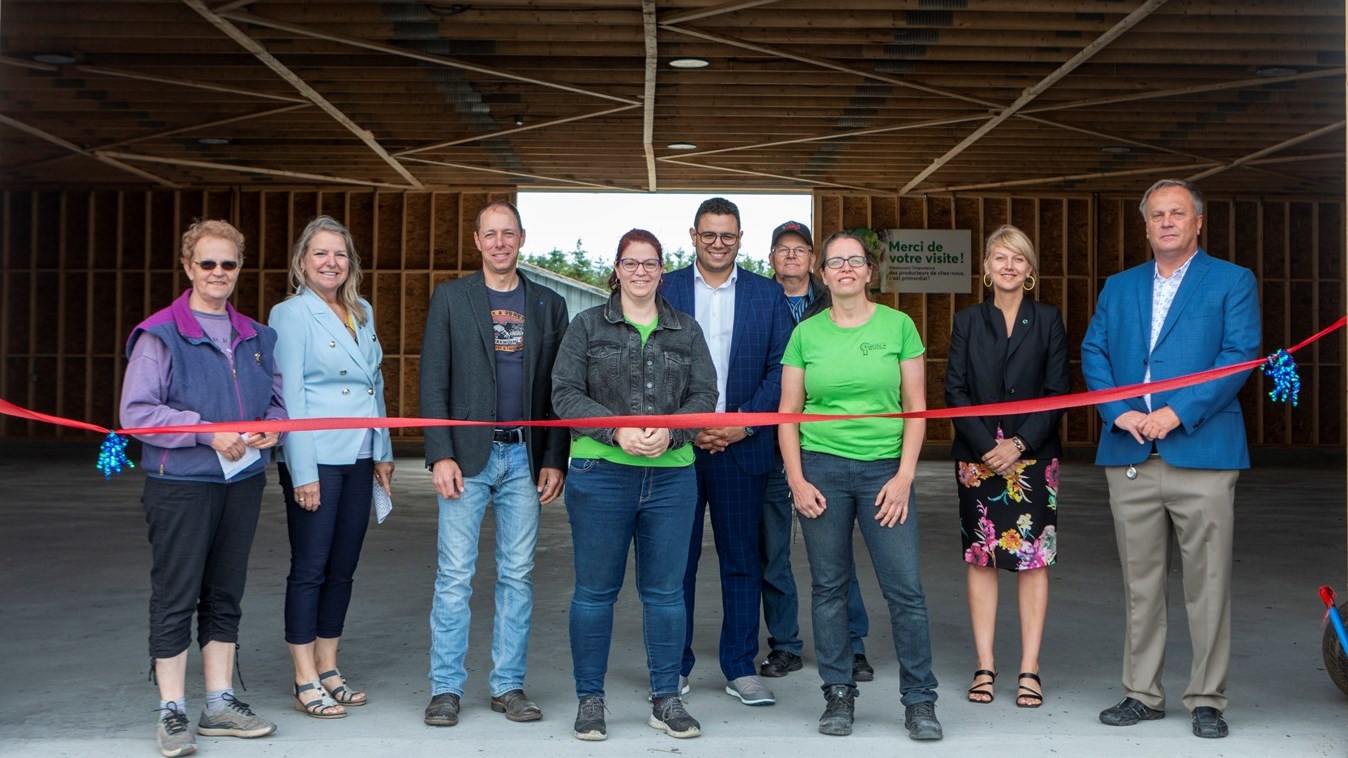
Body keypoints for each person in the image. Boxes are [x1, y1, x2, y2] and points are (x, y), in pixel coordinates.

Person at [1082, 179, 1260, 739]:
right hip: (1130, 451)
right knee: (1141, 582)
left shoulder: (1232, 281)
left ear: (1198, 222)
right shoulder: (1118, 286)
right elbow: (1094, 352)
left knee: (1206, 584)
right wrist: (1121, 414)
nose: (1165, 222)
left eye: (1176, 213)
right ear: (1146, 225)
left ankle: (1207, 698)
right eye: (1156, 215)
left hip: (1202, 452)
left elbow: (1239, 357)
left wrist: (1177, 412)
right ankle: (1143, 693)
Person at [120, 219, 285, 757]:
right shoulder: (159, 334)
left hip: (243, 482)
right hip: (181, 484)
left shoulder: (259, 336)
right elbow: (138, 412)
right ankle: (172, 712)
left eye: (228, 264)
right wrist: (204, 430)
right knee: (176, 594)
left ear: (240, 268)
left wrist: (269, 431)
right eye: (207, 263)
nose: (218, 273)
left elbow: (279, 407)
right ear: (189, 267)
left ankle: (219, 703)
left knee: (224, 593)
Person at [551, 229, 719, 742]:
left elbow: (705, 393)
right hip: (600, 475)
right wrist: (616, 430)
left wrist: (670, 431)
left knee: (666, 593)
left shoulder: (685, 330)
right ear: (617, 268)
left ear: (661, 270)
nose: (641, 272)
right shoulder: (585, 326)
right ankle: (590, 700)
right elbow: (564, 394)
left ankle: (666, 698)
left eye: (650, 264)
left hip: (671, 479)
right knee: (595, 592)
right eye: (631, 263)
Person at [778, 232, 942, 740]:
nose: (845, 268)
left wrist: (904, 477)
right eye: (835, 262)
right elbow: (788, 413)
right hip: (822, 470)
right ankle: (838, 693)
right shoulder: (806, 333)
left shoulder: (899, 326)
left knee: (905, 590)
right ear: (822, 275)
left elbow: (916, 409)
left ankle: (919, 700)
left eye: (855, 261)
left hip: (883, 471)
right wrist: (797, 479)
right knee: (828, 588)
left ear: (869, 272)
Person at [419, 201, 570, 727]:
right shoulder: (451, 298)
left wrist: (555, 459)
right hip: (467, 457)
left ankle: (508, 686)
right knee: (455, 576)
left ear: (522, 238)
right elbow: (432, 381)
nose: (500, 242)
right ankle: (445, 689)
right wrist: (439, 454)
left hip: (524, 456)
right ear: (477, 240)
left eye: (509, 233)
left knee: (518, 575)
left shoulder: (549, 304)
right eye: (491, 234)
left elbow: (558, 390)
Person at [659, 196, 794, 706]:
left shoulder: (767, 294)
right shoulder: (667, 288)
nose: (719, 244)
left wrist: (742, 425)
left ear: (741, 239)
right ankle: (674, 666)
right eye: (709, 235)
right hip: (679, 452)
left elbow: (782, 368)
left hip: (744, 449)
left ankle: (740, 666)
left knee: (742, 560)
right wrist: (689, 430)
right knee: (677, 563)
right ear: (693, 236)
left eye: (729, 236)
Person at [268, 215, 395, 719]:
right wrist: (302, 472)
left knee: (343, 569)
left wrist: (382, 452)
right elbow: (290, 395)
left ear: (350, 263)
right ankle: (302, 676)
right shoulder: (290, 314)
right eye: (320, 253)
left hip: (360, 453)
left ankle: (328, 667)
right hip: (316, 455)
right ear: (303, 262)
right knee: (311, 568)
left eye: (339, 254)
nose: (331, 262)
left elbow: (375, 384)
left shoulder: (360, 309)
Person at [945, 224, 1069, 708]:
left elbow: (1059, 391)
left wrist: (1018, 443)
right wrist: (987, 447)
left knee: (1034, 561)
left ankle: (1030, 669)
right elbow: (955, 391)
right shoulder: (967, 321)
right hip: (978, 460)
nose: (1009, 266)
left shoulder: (1049, 319)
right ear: (987, 269)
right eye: (1000, 258)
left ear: (1030, 269)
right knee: (982, 559)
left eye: (1018, 258)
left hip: (1035, 458)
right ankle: (985, 665)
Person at [758, 220, 873, 683]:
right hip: (770, 443)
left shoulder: (836, 302)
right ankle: (784, 644)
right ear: (771, 259)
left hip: (826, 448)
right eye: (782, 249)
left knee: (835, 550)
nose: (791, 256)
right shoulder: (758, 301)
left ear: (815, 262)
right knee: (774, 550)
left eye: (800, 249)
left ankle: (853, 644)